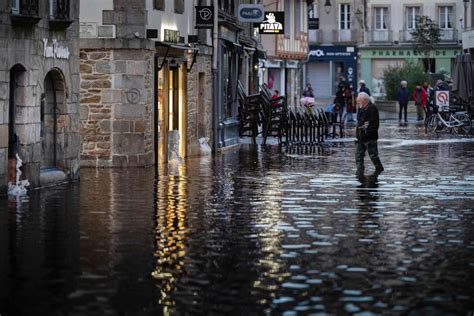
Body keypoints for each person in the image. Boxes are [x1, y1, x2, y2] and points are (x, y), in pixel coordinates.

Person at [355, 92, 384, 176]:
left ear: (364, 100)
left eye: (359, 100)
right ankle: (359, 172)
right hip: (361, 137)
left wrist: (366, 129)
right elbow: (360, 121)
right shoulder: (361, 108)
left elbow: (374, 124)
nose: (357, 101)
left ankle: (379, 170)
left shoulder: (372, 108)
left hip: (370, 137)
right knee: (358, 155)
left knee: (373, 156)